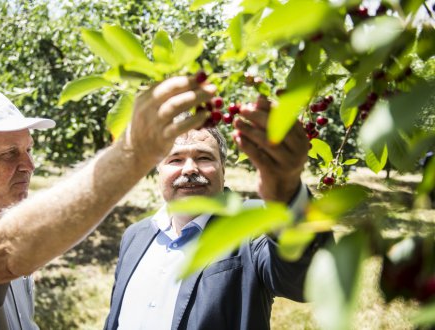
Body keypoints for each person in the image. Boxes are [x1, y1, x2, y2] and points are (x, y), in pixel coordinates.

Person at [0, 76, 216, 330]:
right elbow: (4, 255)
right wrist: (132, 155)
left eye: (28, 149)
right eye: (9, 154)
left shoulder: (0, 220)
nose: (29, 165)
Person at [104, 95, 332, 330]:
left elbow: (309, 279)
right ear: (158, 171)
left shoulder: (251, 224)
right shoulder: (135, 236)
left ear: (223, 170)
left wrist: (287, 188)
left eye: (204, 158)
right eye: (175, 160)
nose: (190, 168)